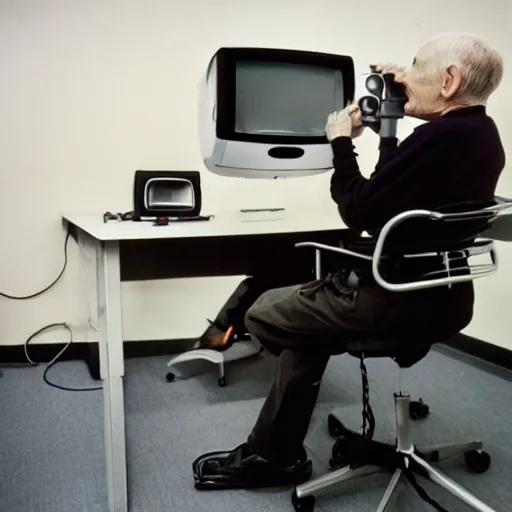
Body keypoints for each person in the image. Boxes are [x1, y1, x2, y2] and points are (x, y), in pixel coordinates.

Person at [193, 32, 506, 489]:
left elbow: (360, 210)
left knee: (263, 311)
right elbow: (393, 199)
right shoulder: (479, 136)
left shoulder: (440, 138)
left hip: (395, 298)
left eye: (415, 66)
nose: (404, 76)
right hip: (445, 295)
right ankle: (273, 453)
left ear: (450, 81)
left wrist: (341, 141)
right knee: (308, 330)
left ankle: (275, 456)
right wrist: (390, 128)